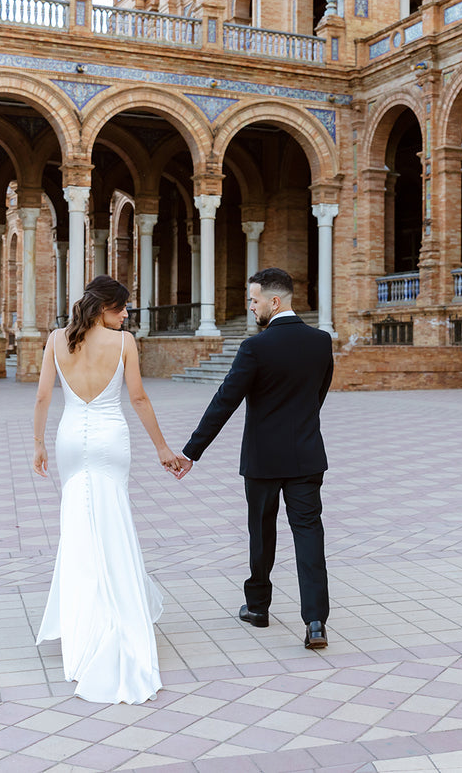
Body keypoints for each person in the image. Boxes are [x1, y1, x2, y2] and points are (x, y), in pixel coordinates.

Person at [32, 275, 187, 703]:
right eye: (121, 309)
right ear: (105, 308)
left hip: (68, 439)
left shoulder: (55, 340)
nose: (125, 316)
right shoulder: (124, 343)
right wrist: (162, 448)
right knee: (112, 521)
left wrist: (38, 444)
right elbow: (137, 398)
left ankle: (82, 620)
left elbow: (43, 397)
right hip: (110, 439)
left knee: (78, 527)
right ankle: (115, 608)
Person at [175, 267, 335, 650]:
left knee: (262, 534)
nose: (251, 307)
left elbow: (224, 402)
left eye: (254, 300)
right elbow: (319, 395)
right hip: (307, 455)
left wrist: (192, 451)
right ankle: (315, 622)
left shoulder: (255, 348)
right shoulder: (320, 341)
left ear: (274, 302)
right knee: (309, 535)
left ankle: (258, 608)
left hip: (263, 460)